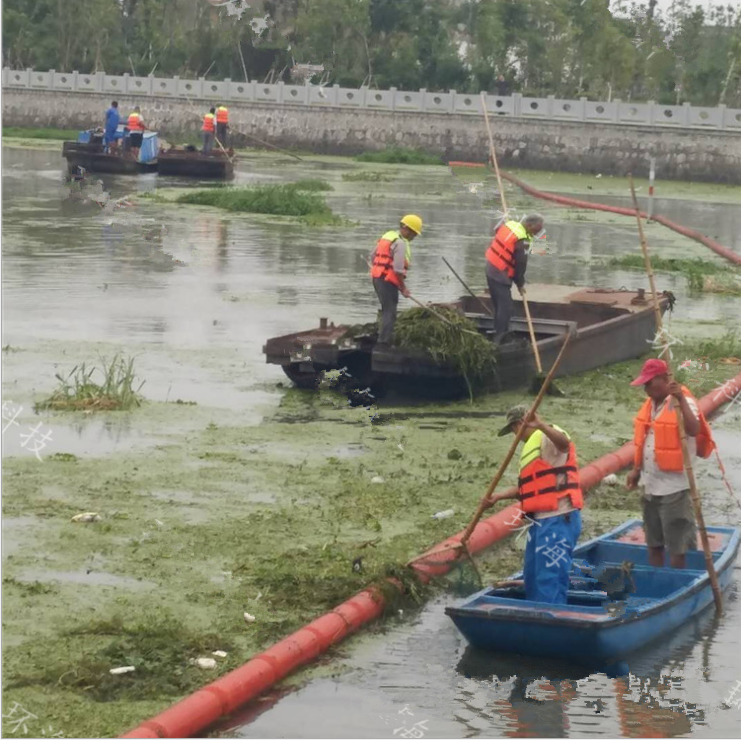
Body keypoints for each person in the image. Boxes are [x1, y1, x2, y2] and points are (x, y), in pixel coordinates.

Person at [484, 406, 583, 604]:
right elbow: (528, 489)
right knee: (532, 576)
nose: (514, 435)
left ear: (519, 424)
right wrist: (497, 497)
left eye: (513, 429)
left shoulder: (548, 435)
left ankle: (552, 619)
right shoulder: (532, 447)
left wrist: (540, 425)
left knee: (550, 577)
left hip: (558, 519)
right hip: (539, 522)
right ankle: (535, 614)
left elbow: (564, 445)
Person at [625, 359, 715, 569]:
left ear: (665, 380)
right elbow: (644, 442)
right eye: (645, 384)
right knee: (654, 542)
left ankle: (678, 583)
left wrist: (680, 398)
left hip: (675, 489)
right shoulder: (650, 405)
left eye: (649, 383)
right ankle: (657, 580)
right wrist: (636, 470)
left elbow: (693, 429)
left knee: (677, 545)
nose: (646, 389)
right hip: (650, 486)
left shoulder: (682, 403)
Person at [485, 214, 543, 343]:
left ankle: (498, 333)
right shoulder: (522, 240)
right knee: (505, 307)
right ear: (528, 225)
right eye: (535, 231)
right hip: (499, 273)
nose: (536, 234)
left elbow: (498, 230)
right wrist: (520, 283)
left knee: (498, 304)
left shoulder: (510, 225)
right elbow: (520, 264)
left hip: (490, 268)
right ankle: (500, 338)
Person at [369, 214, 422, 346]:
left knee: (386, 308)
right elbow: (398, 269)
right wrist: (403, 287)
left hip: (377, 279)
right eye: (414, 233)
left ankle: (382, 337)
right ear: (406, 229)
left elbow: (372, 255)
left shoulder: (388, 237)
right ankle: (383, 343)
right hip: (387, 282)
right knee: (390, 312)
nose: (414, 237)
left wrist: (379, 269)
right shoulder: (400, 243)